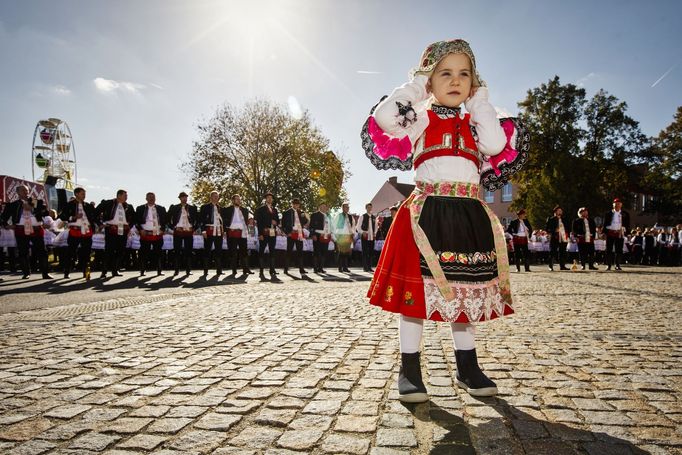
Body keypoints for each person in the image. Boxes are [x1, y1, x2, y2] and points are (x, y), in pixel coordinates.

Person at [362, 39, 528, 402]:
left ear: (474, 82)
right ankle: (410, 370)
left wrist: (480, 101)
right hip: (427, 213)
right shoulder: (420, 116)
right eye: (445, 73)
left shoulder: (476, 121)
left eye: (464, 74)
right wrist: (419, 86)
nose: (455, 81)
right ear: (429, 80)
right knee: (416, 296)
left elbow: (496, 144)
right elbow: (385, 117)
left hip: (466, 212)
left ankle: (468, 367)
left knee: (463, 295)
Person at [0, 185, 52, 279]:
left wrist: (31, 209)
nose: (26, 192)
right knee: (23, 252)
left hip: (36, 229)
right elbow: (3, 217)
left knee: (42, 251)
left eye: (27, 190)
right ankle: (26, 272)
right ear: (18, 192)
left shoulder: (36, 202)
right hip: (21, 229)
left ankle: (45, 273)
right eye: (23, 190)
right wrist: (7, 225)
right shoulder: (13, 204)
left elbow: (45, 213)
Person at [59, 187, 98, 279]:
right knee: (71, 252)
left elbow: (94, 217)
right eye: (82, 194)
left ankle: (86, 272)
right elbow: (62, 216)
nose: (84, 196)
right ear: (76, 194)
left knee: (86, 253)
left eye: (84, 194)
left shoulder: (88, 206)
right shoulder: (69, 205)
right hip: (75, 231)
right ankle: (67, 271)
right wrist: (73, 217)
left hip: (87, 231)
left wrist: (97, 225)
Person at [96, 189, 135, 278]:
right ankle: (104, 271)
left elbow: (134, 218)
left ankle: (115, 270)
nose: (126, 197)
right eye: (125, 195)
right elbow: (95, 212)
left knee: (120, 250)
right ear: (119, 195)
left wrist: (129, 226)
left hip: (123, 229)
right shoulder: (108, 203)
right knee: (109, 250)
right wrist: (100, 224)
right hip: (111, 228)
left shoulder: (129, 206)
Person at [167, 191, 198, 275]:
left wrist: (194, 228)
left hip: (188, 231)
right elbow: (167, 218)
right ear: (180, 198)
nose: (184, 198)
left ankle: (188, 269)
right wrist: (173, 227)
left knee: (189, 251)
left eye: (186, 197)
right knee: (177, 251)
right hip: (178, 231)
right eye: (183, 197)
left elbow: (197, 219)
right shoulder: (174, 207)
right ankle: (176, 269)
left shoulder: (192, 208)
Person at [223, 194, 252, 276]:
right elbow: (224, 221)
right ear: (233, 200)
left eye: (239, 199)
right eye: (236, 199)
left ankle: (246, 269)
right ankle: (234, 270)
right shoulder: (227, 209)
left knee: (244, 251)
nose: (239, 200)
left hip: (242, 232)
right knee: (233, 251)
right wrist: (226, 230)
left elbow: (247, 221)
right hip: (232, 232)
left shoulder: (245, 210)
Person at [199, 191, 224, 276]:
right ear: (211, 197)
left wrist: (223, 231)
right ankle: (205, 271)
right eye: (214, 196)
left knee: (218, 250)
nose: (216, 198)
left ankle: (219, 270)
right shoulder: (204, 207)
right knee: (207, 250)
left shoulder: (220, 207)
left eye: (217, 196)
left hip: (219, 231)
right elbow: (201, 219)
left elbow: (222, 221)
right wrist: (203, 231)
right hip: (209, 230)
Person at [255, 192, 280, 279]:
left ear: (272, 200)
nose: (270, 199)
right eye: (268, 198)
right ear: (265, 199)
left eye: (271, 198)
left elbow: (278, 220)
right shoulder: (260, 209)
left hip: (273, 231)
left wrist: (276, 222)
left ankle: (272, 269)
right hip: (264, 231)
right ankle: (261, 270)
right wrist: (260, 234)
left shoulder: (275, 209)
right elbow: (259, 223)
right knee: (262, 250)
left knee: (272, 250)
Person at [281, 198, 308, 275]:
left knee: (300, 251)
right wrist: (287, 232)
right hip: (291, 233)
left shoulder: (301, 212)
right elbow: (283, 225)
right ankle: (286, 268)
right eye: (294, 203)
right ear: (292, 204)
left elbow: (305, 222)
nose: (296, 205)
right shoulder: (286, 212)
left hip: (299, 233)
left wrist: (304, 216)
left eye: (297, 204)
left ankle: (301, 269)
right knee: (289, 250)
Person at [603, 198, 630, 271]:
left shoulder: (625, 214)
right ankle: (608, 265)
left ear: (621, 205)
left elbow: (627, 224)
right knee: (608, 249)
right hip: (610, 232)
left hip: (619, 233)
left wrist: (627, 232)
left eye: (618, 204)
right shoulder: (608, 213)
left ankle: (617, 264)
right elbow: (605, 223)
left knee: (619, 250)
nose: (617, 206)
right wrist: (605, 232)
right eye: (615, 204)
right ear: (613, 205)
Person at [309, 202, 332, 273]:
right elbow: (311, 226)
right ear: (319, 207)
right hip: (317, 235)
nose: (324, 208)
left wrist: (329, 233)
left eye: (325, 207)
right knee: (316, 252)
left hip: (326, 236)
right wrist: (313, 235)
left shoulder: (328, 216)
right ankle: (315, 268)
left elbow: (330, 226)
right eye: (322, 207)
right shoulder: (314, 215)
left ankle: (321, 268)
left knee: (324, 252)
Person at [545, 206, 569, 271]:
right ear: (555, 212)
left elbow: (568, 228)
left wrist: (568, 236)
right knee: (552, 252)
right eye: (559, 211)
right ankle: (550, 266)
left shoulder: (564, 219)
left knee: (563, 252)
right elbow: (547, 229)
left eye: (561, 211)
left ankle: (562, 266)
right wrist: (555, 230)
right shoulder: (551, 219)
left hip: (563, 237)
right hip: (555, 237)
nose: (560, 212)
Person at [333, 202, 355, 273]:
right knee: (341, 252)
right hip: (341, 235)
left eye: (348, 207)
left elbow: (353, 226)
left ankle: (345, 267)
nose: (347, 208)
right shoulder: (339, 216)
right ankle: (340, 267)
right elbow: (334, 225)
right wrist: (335, 235)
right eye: (346, 207)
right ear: (342, 208)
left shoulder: (350, 217)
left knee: (346, 253)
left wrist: (353, 233)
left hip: (348, 235)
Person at [357, 203, 378, 272]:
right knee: (365, 252)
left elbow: (376, 227)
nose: (369, 208)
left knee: (371, 252)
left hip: (372, 237)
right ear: (366, 208)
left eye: (370, 207)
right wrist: (362, 232)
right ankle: (365, 267)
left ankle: (369, 266)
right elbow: (358, 227)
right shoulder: (362, 216)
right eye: (368, 207)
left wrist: (375, 233)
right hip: (365, 236)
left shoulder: (374, 217)